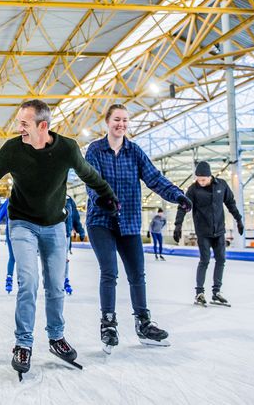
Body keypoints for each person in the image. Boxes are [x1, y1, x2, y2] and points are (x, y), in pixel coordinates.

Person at [0, 99, 118, 377]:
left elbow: (88, 174)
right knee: (28, 281)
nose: (19, 128)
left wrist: (108, 196)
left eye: (24, 123)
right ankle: (23, 343)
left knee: (55, 285)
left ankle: (56, 337)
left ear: (43, 126)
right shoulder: (13, 149)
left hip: (55, 225)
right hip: (22, 224)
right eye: (19, 122)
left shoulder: (66, 148)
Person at [85, 103, 192, 353]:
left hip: (129, 221)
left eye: (124, 120)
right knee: (109, 271)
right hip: (101, 220)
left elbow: (154, 178)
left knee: (137, 274)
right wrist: (102, 198)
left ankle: (143, 323)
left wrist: (178, 195)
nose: (120, 124)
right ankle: (108, 323)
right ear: (107, 122)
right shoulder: (95, 150)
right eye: (116, 120)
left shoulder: (134, 152)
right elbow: (92, 180)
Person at [173, 161, 243, 307]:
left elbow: (230, 203)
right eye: (198, 179)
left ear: (210, 176)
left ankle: (216, 292)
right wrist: (177, 225)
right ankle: (199, 293)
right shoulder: (193, 189)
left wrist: (239, 220)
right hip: (203, 232)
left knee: (221, 259)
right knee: (204, 260)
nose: (200, 182)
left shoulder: (222, 185)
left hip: (219, 231)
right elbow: (183, 207)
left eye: (203, 179)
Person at [63, 195, 85, 295]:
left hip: (66, 234)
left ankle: (65, 279)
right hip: (51, 234)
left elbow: (75, 217)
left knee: (65, 259)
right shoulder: (49, 193)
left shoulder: (69, 200)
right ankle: (54, 281)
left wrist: (80, 230)